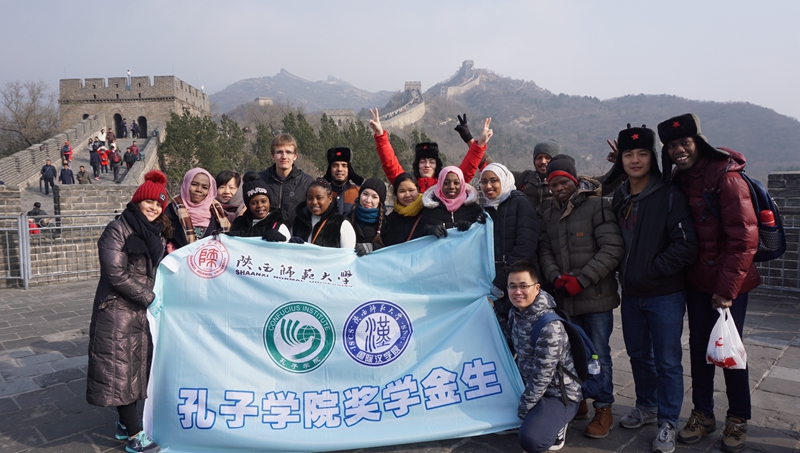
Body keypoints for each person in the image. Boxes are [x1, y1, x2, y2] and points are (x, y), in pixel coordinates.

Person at [657, 113, 760, 453]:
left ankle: (738, 417)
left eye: (684, 143)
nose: (678, 150)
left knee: (729, 351)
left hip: (728, 285)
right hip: (696, 281)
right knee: (701, 349)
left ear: (698, 143)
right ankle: (703, 413)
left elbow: (744, 240)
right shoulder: (679, 178)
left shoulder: (726, 178)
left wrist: (727, 290)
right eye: (672, 145)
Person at [608, 124, 699, 453]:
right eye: (628, 154)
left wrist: (650, 271)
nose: (635, 160)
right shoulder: (620, 196)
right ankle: (646, 406)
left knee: (668, 361)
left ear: (653, 157)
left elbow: (686, 246)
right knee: (638, 356)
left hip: (664, 295)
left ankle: (668, 422)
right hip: (631, 295)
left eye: (642, 153)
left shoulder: (669, 195)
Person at [538, 154, 624, 438]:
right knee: (572, 353)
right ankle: (580, 399)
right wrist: (554, 276)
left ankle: (604, 407)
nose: (558, 188)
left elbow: (612, 249)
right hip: (566, 297)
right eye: (553, 184)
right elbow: (545, 250)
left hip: (596, 296)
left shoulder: (597, 206)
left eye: (563, 182)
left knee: (598, 353)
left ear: (574, 181)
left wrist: (582, 279)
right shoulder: (549, 213)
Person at [86, 170, 171, 453]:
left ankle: (125, 424)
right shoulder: (118, 229)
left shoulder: (154, 233)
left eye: (158, 204)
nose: (153, 207)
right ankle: (135, 435)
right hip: (117, 312)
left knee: (135, 369)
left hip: (139, 312)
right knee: (121, 371)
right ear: (137, 201)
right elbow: (115, 273)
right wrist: (149, 297)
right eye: (149, 201)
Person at [508, 260, 582, 453]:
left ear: (537, 288)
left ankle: (560, 422)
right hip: (526, 385)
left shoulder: (549, 326)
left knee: (531, 440)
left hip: (557, 393)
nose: (517, 292)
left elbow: (542, 376)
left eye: (523, 286)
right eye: (512, 286)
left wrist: (523, 410)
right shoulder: (514, 313)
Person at [368, 108, 492, 193]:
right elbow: (390, 165)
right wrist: (380, 135)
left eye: (431, 161)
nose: (427, 165)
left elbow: (466, 170)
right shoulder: (408, 186)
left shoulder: (445, 186)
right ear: (417, 165)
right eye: (422, 161)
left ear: (437, 165)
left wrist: (479, 144)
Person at [479, 163, 540, 337]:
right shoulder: (485, 211)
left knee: (524, 336)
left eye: (493, 180)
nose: (488, 186)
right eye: (484, 182)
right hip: (493, 284)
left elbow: (526, 246)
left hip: (519, 282)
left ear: (504, 180)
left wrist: (502, 280)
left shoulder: (520, 203)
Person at [165, 168, 231, 250]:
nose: (199, 190)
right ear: (186, 184)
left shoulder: (218, 213)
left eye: (204, 187)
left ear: (209, 190)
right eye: (194, 184)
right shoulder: (170, 211)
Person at [258, 134, 314, 227]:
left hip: (295, 234)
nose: (284, 156)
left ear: (295, 156)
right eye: (279, 152)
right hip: (265, 233)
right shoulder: (260, 179)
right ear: (272, 156)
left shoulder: (307, 182)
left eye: (288, 152)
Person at [419, 166, 485, 239]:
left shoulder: (474, 209)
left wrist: (471, 226)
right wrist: (429, 230)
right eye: (446, 183)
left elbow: (482, 234)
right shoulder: (430, 209)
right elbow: (417, 235)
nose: (451, 187)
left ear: (462, 184)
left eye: (456, 183)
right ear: (440, 184)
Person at [291, 178, 356, 248]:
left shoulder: (341, 224)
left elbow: (348, 253)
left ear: (330, 199)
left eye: (319, 198)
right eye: (310, 198)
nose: (314, 202)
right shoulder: (298, 221)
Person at [227, 172, 290, 240]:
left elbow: (289, 245)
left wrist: (281, 240)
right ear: (248, 205)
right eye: (254, 203)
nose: (259, 205)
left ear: (269, 202)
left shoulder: (278, 225)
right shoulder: (239, 224)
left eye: (263, 201)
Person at [511, 140, 558, 212]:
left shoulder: (562, 182)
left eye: (547, 158)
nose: (543, 161)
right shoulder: (526, 177)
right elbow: (498, 172)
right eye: (539, 158)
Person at [381, 173, 425, 246]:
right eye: (402, 191)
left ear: (418, 190)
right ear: (396, 193)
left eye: (411, 190)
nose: (407, 195)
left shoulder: (428, 213)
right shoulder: (389, 220)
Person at [350, 177, 387, 256]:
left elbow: (392, 249)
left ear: (380, 201)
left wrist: (373, 247)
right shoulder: (347, 218)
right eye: (365, 194)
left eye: (374, 197)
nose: (368, 200)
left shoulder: (386, 223)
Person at [323, 147, 363, 217]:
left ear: (349, 169)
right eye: (335, 165)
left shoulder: (359, 193)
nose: (339, 169)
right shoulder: (322, 192)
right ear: (330, 169)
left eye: (344, 165)